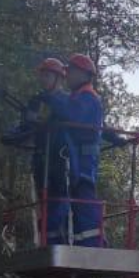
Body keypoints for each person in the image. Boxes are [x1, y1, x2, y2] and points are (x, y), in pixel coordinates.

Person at [41, 53, 104, 247]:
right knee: (63, 204)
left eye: (71, 71)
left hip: (83, 163)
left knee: (84, 205)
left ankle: (92, 247)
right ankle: (59, 242)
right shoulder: (78, 97)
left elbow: (72, 113)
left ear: (84, 74)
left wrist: (54, 96)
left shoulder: (87, 98)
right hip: (72, 162)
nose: (67, 75)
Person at [24, 57, 70, 244]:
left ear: (59, 78)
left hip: (60, 159)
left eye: (47, 75)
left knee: (59, 199)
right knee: (43, 202)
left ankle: (57, 239)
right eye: (42, 75)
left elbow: (68, 114)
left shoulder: (66, 101)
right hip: (42, 160)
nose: (43, 79)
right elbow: (26, 125)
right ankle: (45, 239)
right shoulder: (38, 100)